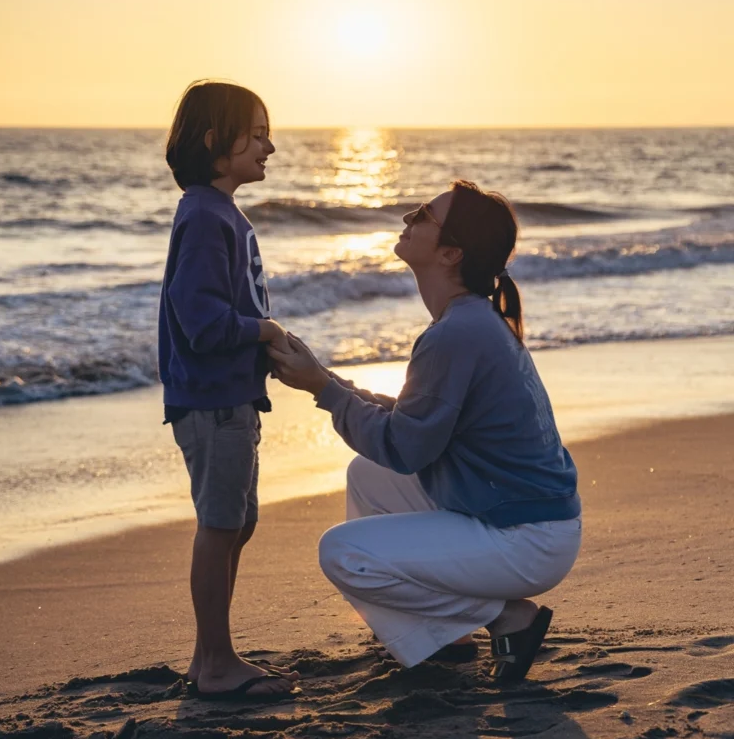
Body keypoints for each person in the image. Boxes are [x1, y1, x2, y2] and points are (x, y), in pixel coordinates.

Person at [269, 180, 582, 682]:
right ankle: (442, 636)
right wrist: (326, 381)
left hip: (527, 538)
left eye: (421, 216)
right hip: (522, 519)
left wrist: (323, 392)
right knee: (367, 475)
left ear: (451, 253)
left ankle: (507, 618)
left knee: (342, 552)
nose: (406, 221)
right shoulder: (469, 321)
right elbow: (416, 422)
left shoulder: (457, 333)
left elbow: (404, 446)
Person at [159, 80, 298, 701]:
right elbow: (202, 322)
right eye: (260, 133)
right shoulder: (205, 216)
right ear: (216, 141)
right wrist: (263, 329)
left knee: (237, 524)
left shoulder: (222, 214)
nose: (271, 146)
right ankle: (216, 662)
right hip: (213, 404)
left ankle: (207, 655)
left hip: (231, 400)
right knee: (219, 526)